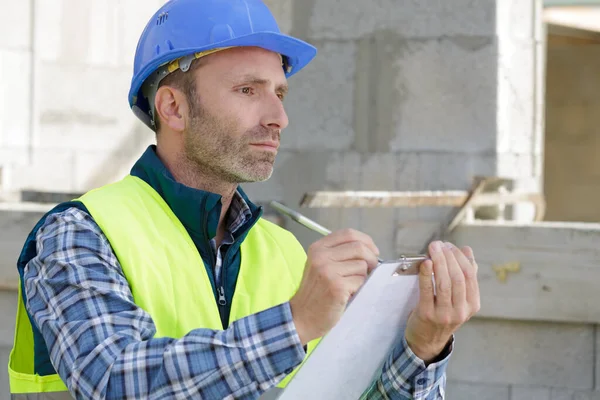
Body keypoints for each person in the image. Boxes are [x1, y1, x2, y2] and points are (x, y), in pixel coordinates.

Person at [8, 0, 480, 399]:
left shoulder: (284, 254)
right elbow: (112, 378)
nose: (278, 117)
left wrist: (422, 347)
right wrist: (294, 324)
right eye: (247, 90)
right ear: (173, 107)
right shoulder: (79, 233)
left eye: (280, 93)